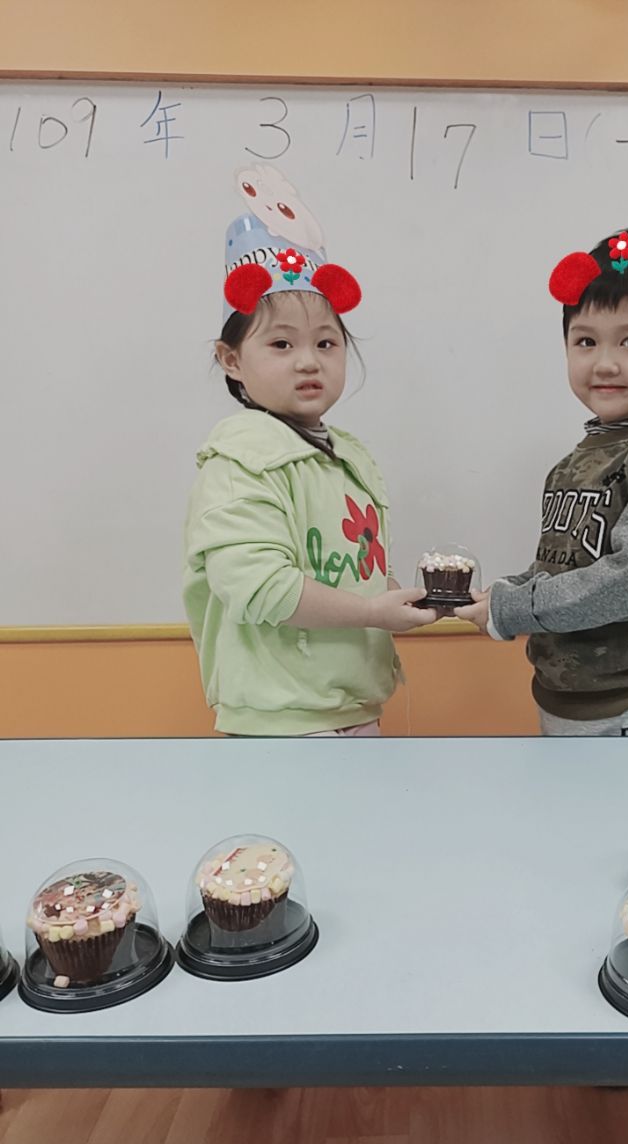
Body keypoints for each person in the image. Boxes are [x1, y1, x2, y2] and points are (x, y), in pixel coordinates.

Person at [184, 166, 435, 737]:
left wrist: (399, 599)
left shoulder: (347, 457)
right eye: (281, 343)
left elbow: (355, 575)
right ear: (231, 360)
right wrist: (371, 612)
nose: (308, 361)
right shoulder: (240, 461)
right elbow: (259, 587)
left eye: (326, 342)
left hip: (355, 711)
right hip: (279, 726)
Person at [462, 228, 628, 737]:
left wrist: (514, 608)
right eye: (586, 341)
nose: (604, 362)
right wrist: (503, 592)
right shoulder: (574, 462)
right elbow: (566, 568)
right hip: (564, 705)